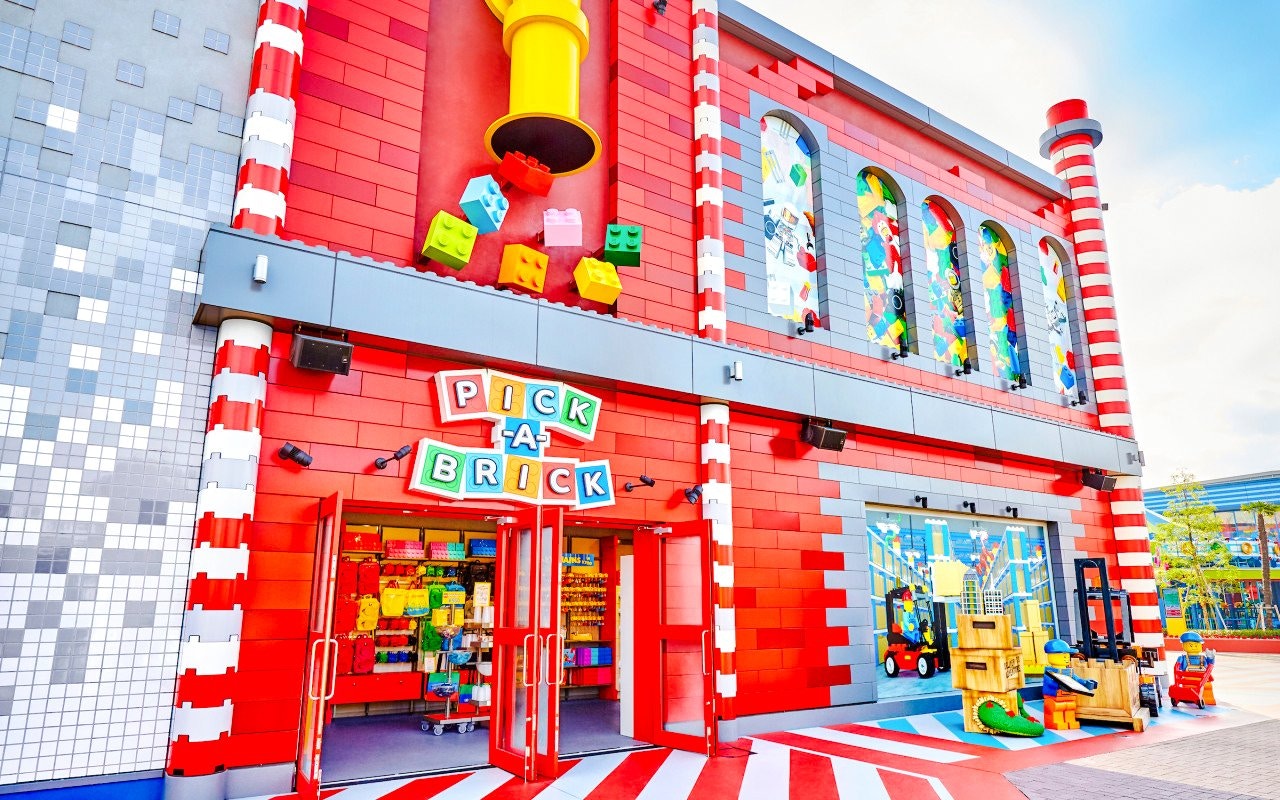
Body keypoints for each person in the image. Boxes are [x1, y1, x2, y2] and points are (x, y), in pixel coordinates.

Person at [1041, 638, 1097, 730]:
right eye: (1063, 655)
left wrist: (1086, 683)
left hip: (1069, 695)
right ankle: (1057, 722)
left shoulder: (1069, 671)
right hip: (1055, 696)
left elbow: (1077, 679)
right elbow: (1049, 684)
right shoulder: (1050, 672)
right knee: (1057, 708)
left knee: (1069, 707)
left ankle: (1070, 721)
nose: (1066, 658)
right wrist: (1059, 685)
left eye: (1067, 655)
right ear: (1051, 656)